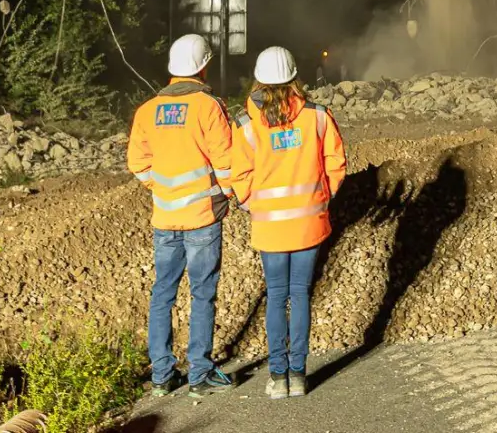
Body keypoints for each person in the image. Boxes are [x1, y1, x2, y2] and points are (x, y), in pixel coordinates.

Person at [230, 46, 347, 399]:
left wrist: (253, 205)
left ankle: (278, 377)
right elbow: (336, 164)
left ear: (258, 79)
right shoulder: (318, 117)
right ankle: (298, 376)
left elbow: (239, 176)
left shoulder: (247, 123)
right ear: (295, 76)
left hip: (270, 227)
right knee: (300, 294)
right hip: (309, 222)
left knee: (277, 296)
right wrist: (321, 198)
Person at [127, 33, 237, 398]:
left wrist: (161, 189)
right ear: (203, 67)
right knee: (202, 295)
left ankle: (162, 376)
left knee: (163, 294)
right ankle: (199, 374)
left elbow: (137, 164)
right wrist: (228, 195)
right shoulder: (208, 106)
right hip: (202, 218)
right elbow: (225, 162)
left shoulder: (147, 110)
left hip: (164, 219)